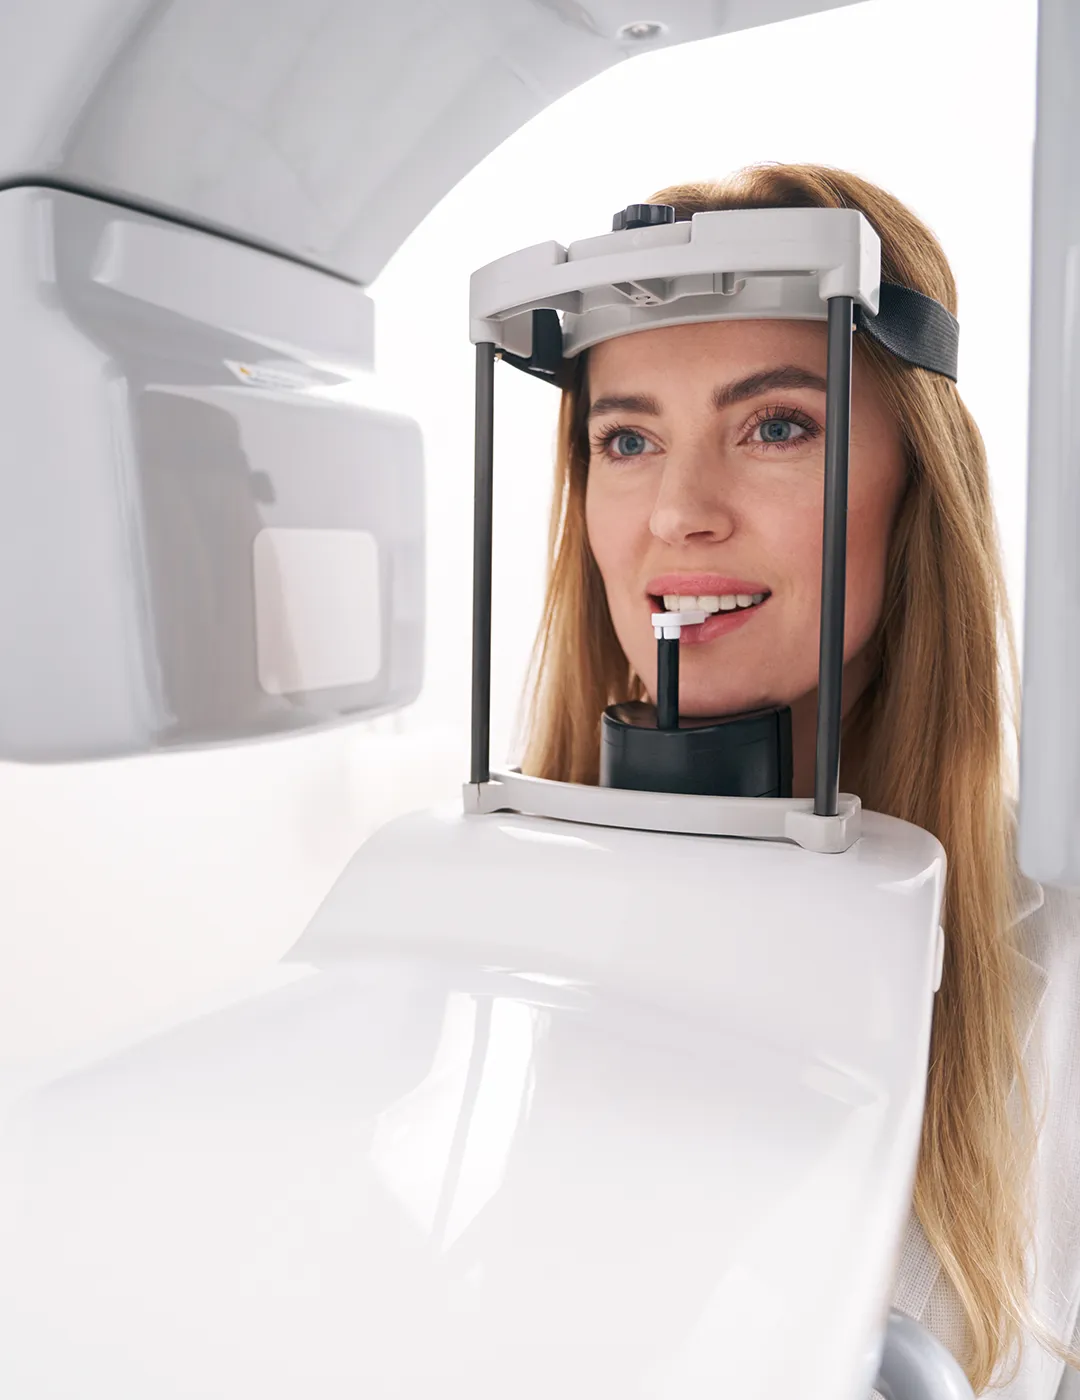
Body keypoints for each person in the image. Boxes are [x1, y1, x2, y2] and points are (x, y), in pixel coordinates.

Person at [519, 163, 1080, 1398]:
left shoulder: (1052, 958)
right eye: (627, 438)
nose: (678, 511)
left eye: (777, 425)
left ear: (915, 488)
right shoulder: (493, 919)